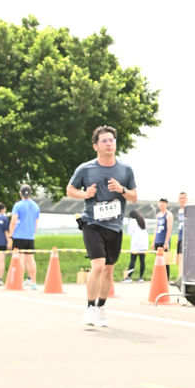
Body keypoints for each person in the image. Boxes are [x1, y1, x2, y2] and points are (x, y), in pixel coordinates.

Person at [66, 126, 136, 328]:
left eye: (111, 140)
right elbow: (70, 190)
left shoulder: (125, 169)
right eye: (104, 141)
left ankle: (101, 308)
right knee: (97, 265)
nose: (109, 144)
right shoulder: (86, 169)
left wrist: (121, 189)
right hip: (92, 223)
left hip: (114, 226)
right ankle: (90, 308)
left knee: (108, 270)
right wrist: (85, 194)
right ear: (96, 146)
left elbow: (134, 197)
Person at [8, 185, 40, 289]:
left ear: (20, 193)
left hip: (18, 235)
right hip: (30, 236)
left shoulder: (18, 205)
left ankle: (20, 281)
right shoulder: (36, 206)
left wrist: (10, 235)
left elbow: (13, 221)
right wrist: (33, 233)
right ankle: (33, 282)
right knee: (30, 259)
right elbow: (36, 223)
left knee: (20, 258)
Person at [122, 209, 149, 282]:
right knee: (142, 261)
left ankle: (128, 277)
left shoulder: (132, 221)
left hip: (136, 244)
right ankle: (141, 277)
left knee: (132, 260)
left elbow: (129, 232)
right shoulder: (142, 220)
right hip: (144, 244)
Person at [153, 198, 173, 265]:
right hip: (157, 241)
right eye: (160, 202)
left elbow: (169, 229)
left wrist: (166, 242)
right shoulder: (158, 215)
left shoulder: (168, 214)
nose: (161, 204)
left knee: (165, 263)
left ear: (166, 204)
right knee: (158, 262)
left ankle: (166, 273)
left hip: (164, 241)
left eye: (163, 202)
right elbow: (156, 228)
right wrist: (153, 241)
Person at [175, 191, 188, 274]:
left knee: (183, 257)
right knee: (179, 257)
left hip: (186, 237)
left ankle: (183, 275)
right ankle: (180, 275)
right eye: (180, 198)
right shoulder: (179, 211)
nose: (181, 200)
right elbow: (179, 225)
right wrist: (177, 238)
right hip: (180, 237)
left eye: (183, 198)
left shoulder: (189, 209)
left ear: (186, 199)